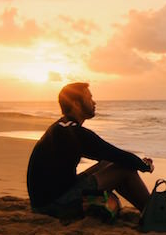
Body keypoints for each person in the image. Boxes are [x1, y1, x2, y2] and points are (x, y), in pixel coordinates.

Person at [27, 82, 155, 218]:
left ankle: (147, 210)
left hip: (47, 199)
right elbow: (116, 154)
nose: (94, 103)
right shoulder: (73, 133)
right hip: (53, 205)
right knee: (124, 168)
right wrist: (144, 165)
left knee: (108, 163)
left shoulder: (62, 127)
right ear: (76, 103)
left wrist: (134, 162)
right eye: (89, 98)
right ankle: (153, 214)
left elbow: (109, 155)